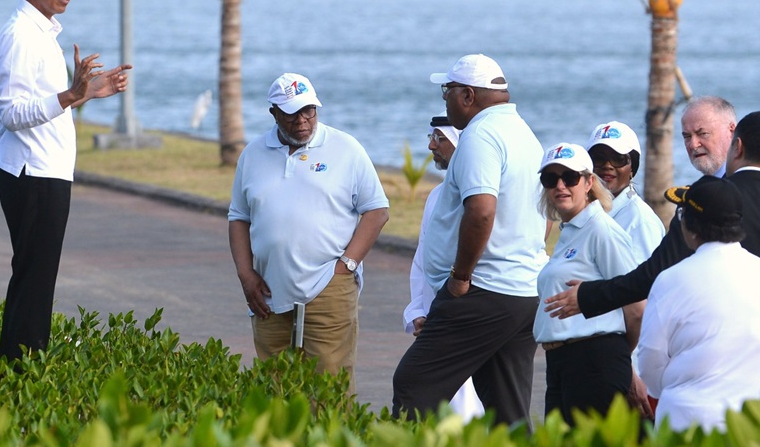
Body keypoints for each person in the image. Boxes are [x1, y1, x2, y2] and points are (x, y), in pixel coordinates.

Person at [545, 110, 760, 341]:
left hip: (705, 339)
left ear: (737, 146)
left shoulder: (704, 199)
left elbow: (653, 273)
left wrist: (588, 296)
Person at [0, 0, 131, 365]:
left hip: (44, 175)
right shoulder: (20, 35)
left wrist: (87, 92)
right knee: (34, 284)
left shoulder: (41, 33)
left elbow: (43, 103)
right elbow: (12, 112)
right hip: (33, 176)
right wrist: (71, 94)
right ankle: (21, 378)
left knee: (33, 281)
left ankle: (14, 375)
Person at [392, 54, 547, 426]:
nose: (444, 100)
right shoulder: (525, 134)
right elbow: (545, 216)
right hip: (524, 292)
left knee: (414, 383)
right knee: (505, 409)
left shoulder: (481, 135)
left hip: (483, 292)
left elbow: (480, 211)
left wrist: (460, 277)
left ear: (466, 96)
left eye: (446, 92)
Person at [228, 72, 389, 387]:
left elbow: (377, 210)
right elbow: (239, 217)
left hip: (328, 285)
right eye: (291, 113)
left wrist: (347, 265)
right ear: (274, 112)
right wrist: (246, 276)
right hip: (267, 292)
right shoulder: (253, 154)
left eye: (309, 110)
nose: (302, 120)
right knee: (273, 388)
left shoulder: (345, 148)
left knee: (329, 388)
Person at [638, 176, 760, 432]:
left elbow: (649, 364)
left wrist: (676, 386)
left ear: (690, 226)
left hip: (693, 429)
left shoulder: (670, 281)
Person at [534, 144, 643, 423]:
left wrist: (619, 357)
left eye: (570, 178)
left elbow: (637, 306)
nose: (560, 186)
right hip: (561, 362)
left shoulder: (601, 230)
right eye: (551, 179)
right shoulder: (570, 230)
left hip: (595, 361)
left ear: (588, 182)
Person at [403, 116, 484, 421]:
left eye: (439, 139)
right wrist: (418, 310)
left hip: (469, 312)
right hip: (436, 316)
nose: (431, 146)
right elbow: (423, 260)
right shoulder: (437, 195)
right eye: (431, 137)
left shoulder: (480, 196)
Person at [584, 120, 664, 263]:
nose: (607, 165)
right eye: (599, 158)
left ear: (632, 168)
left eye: (618, 159)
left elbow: (645, 281)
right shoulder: (588, 212)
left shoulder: (640, 221)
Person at [681, 96, 738, 177]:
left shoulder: (744, 183)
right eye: (687, 136)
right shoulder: (698, 188)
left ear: (731, 131)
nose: (693, 145)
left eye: (703, 134)